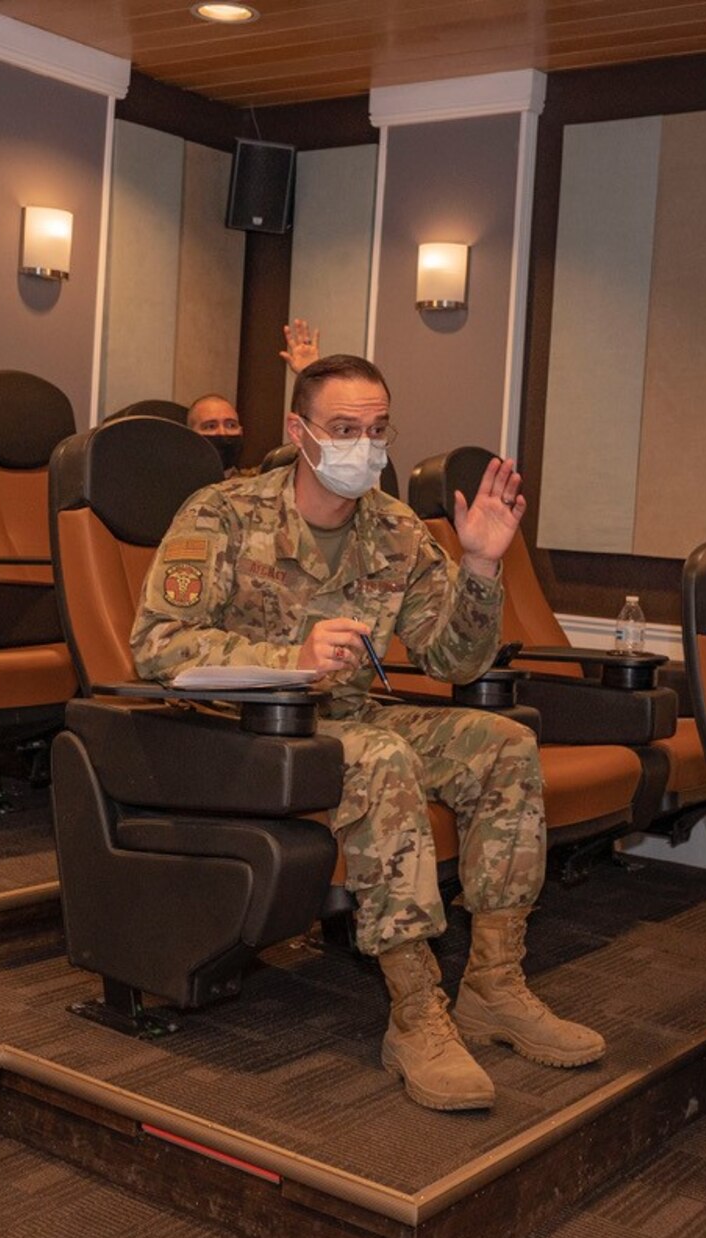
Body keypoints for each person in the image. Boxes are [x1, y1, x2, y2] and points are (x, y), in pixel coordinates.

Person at [132, 354, 602, 1113]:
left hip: (348, 716)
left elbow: (454, 659)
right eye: (344, 429)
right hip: (244, 732)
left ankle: (494, 984)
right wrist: (290, 658)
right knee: (381, 757)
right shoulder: (221, 513)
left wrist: (480, 567)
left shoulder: (396, 529)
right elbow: (157, 646)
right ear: (299, 430)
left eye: (377, 430)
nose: (364, 445)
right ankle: (417, 1015)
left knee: (502, 743)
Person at [185, 392, 247, 477]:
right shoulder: (174, 485)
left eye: (231, 425)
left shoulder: (257, 486)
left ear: (241, 432)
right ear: (190, 436)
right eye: (211, 426)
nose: (222, 432)